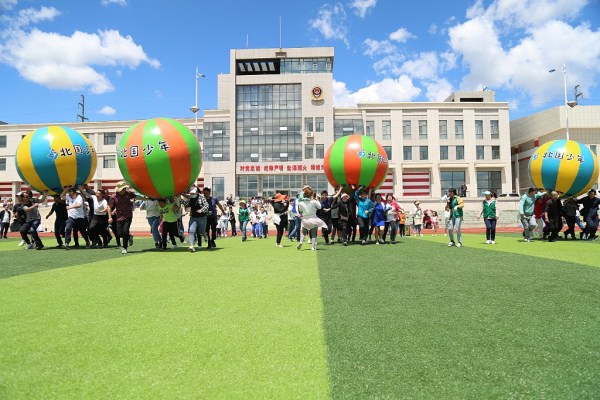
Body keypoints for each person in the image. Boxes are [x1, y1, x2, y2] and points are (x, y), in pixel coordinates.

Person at [107, 181, 137, 254]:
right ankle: (129, 237)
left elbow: (137, 197)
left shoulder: (129, 194)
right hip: (119, 217)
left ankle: (124, 248)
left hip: (128, 216)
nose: (124, 190)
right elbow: (109, 207)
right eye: (122, 189)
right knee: (120, 234)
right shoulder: (113, 196)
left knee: (125, 231)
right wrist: (110, 217)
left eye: (124, 188)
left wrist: (147, 198)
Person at [296, 185, 327, 251]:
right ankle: (313, 247)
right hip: (313, 218)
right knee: (313, 234)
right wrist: (317, 199)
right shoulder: (313, 201)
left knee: (303, 232)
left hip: (305, 219)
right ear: (311, 195)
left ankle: (301, 242)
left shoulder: (301, 202)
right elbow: (319, 207)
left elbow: (300, 210)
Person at [183, 185, 209, 252]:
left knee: (201, 231)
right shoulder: (190, 198)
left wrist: (201, 210)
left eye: (193, 193)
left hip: (202, 218)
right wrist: (179, 199)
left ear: (197, 192)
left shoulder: (201, 197)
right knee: (191, 231)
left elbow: (206, 205)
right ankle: (191, 246)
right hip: (193, 217)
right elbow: (186, 204)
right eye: (191, 193)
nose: (192, 194)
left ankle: (205, 235)